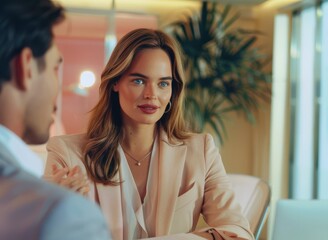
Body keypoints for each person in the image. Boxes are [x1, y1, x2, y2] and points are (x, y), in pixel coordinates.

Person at [44, 28, 254, 240]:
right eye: (139, 81)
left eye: (163, 83)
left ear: (173, 90)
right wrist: (54, 211)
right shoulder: (67, 153)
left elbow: (238, 231)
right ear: (115, 82)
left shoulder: (201, 150)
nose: (152, 95)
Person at [0, 0, 112, 239]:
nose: (57, 86)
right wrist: (46, 201)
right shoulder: (66, 214)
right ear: (27, 67)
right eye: (53, 68)